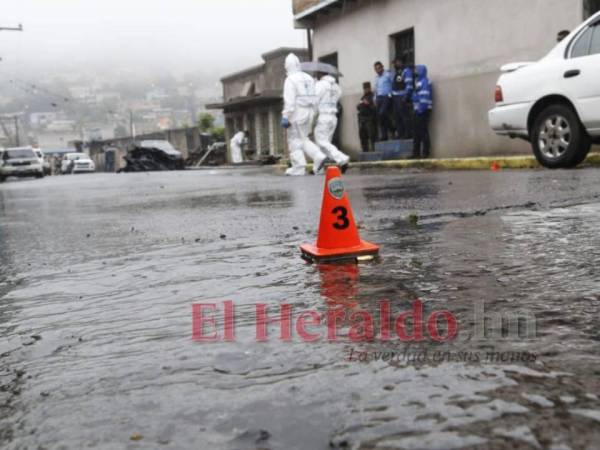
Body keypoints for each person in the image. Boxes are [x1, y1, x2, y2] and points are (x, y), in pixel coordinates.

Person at [281, 53, 327, 176]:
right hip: (309, 112)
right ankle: (319, 156)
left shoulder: (290, 80)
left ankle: (298, 167)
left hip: (297, 113)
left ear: (287, 66)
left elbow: (289, 101)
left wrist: (286, 115)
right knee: (303, 139)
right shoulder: (308, 77)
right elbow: (315, 97)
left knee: (294, 140)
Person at [315, 72, 350, 171]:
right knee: (324, 145)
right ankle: (317, 168)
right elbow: (338, 95)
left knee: (321, 141)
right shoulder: (336, 86)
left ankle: (342, 158)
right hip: (333, 117)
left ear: (320, 75)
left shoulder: (320, 84)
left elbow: (314, 100)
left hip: (324, 117)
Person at [412, 65, 433, 159]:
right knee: (416, 132)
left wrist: (421, 109)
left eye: (416, 70)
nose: (415, 72)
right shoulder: (418, 82)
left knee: (423, 131)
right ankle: (415, 153)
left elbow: (424, 96)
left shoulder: (424, 81)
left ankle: (425, 152)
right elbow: (416, 95)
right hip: (417, 110)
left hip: (423, 110)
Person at [392, 57, 414, 139]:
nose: (395, 64)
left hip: (402, 97)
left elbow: (409, 85)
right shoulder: (398, 72)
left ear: (400, 62)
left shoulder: (406, 71)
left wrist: (406, 96)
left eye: (396, 62)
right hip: (396, 98)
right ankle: (400, 134)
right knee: (397, 117)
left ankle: (408, 134)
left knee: (405, 117)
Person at [373, 61, 394, 141]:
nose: (378, 70)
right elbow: (376, 89)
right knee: (380, 117)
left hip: (387, 97)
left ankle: (392, 128)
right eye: (376, 69)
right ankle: (384, 135)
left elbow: (394, 84)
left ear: (382, 67)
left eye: (379, 68)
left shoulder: (388, 74)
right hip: (379, 98)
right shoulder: (376, 78)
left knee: (382, 113)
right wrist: (374, 98)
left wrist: (391, 94)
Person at [357, 82, 377, 152]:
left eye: (366, 88)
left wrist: (368, 104)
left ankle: (374, 149)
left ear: (369, 88)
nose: (365, 90)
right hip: (362, 119)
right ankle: (365, 150)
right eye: (364, 89)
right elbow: (358, 106)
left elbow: (374, 108)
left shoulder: (372, 96)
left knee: (372, 135)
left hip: (370, 118)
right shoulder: (363, 97)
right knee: (362, 136)